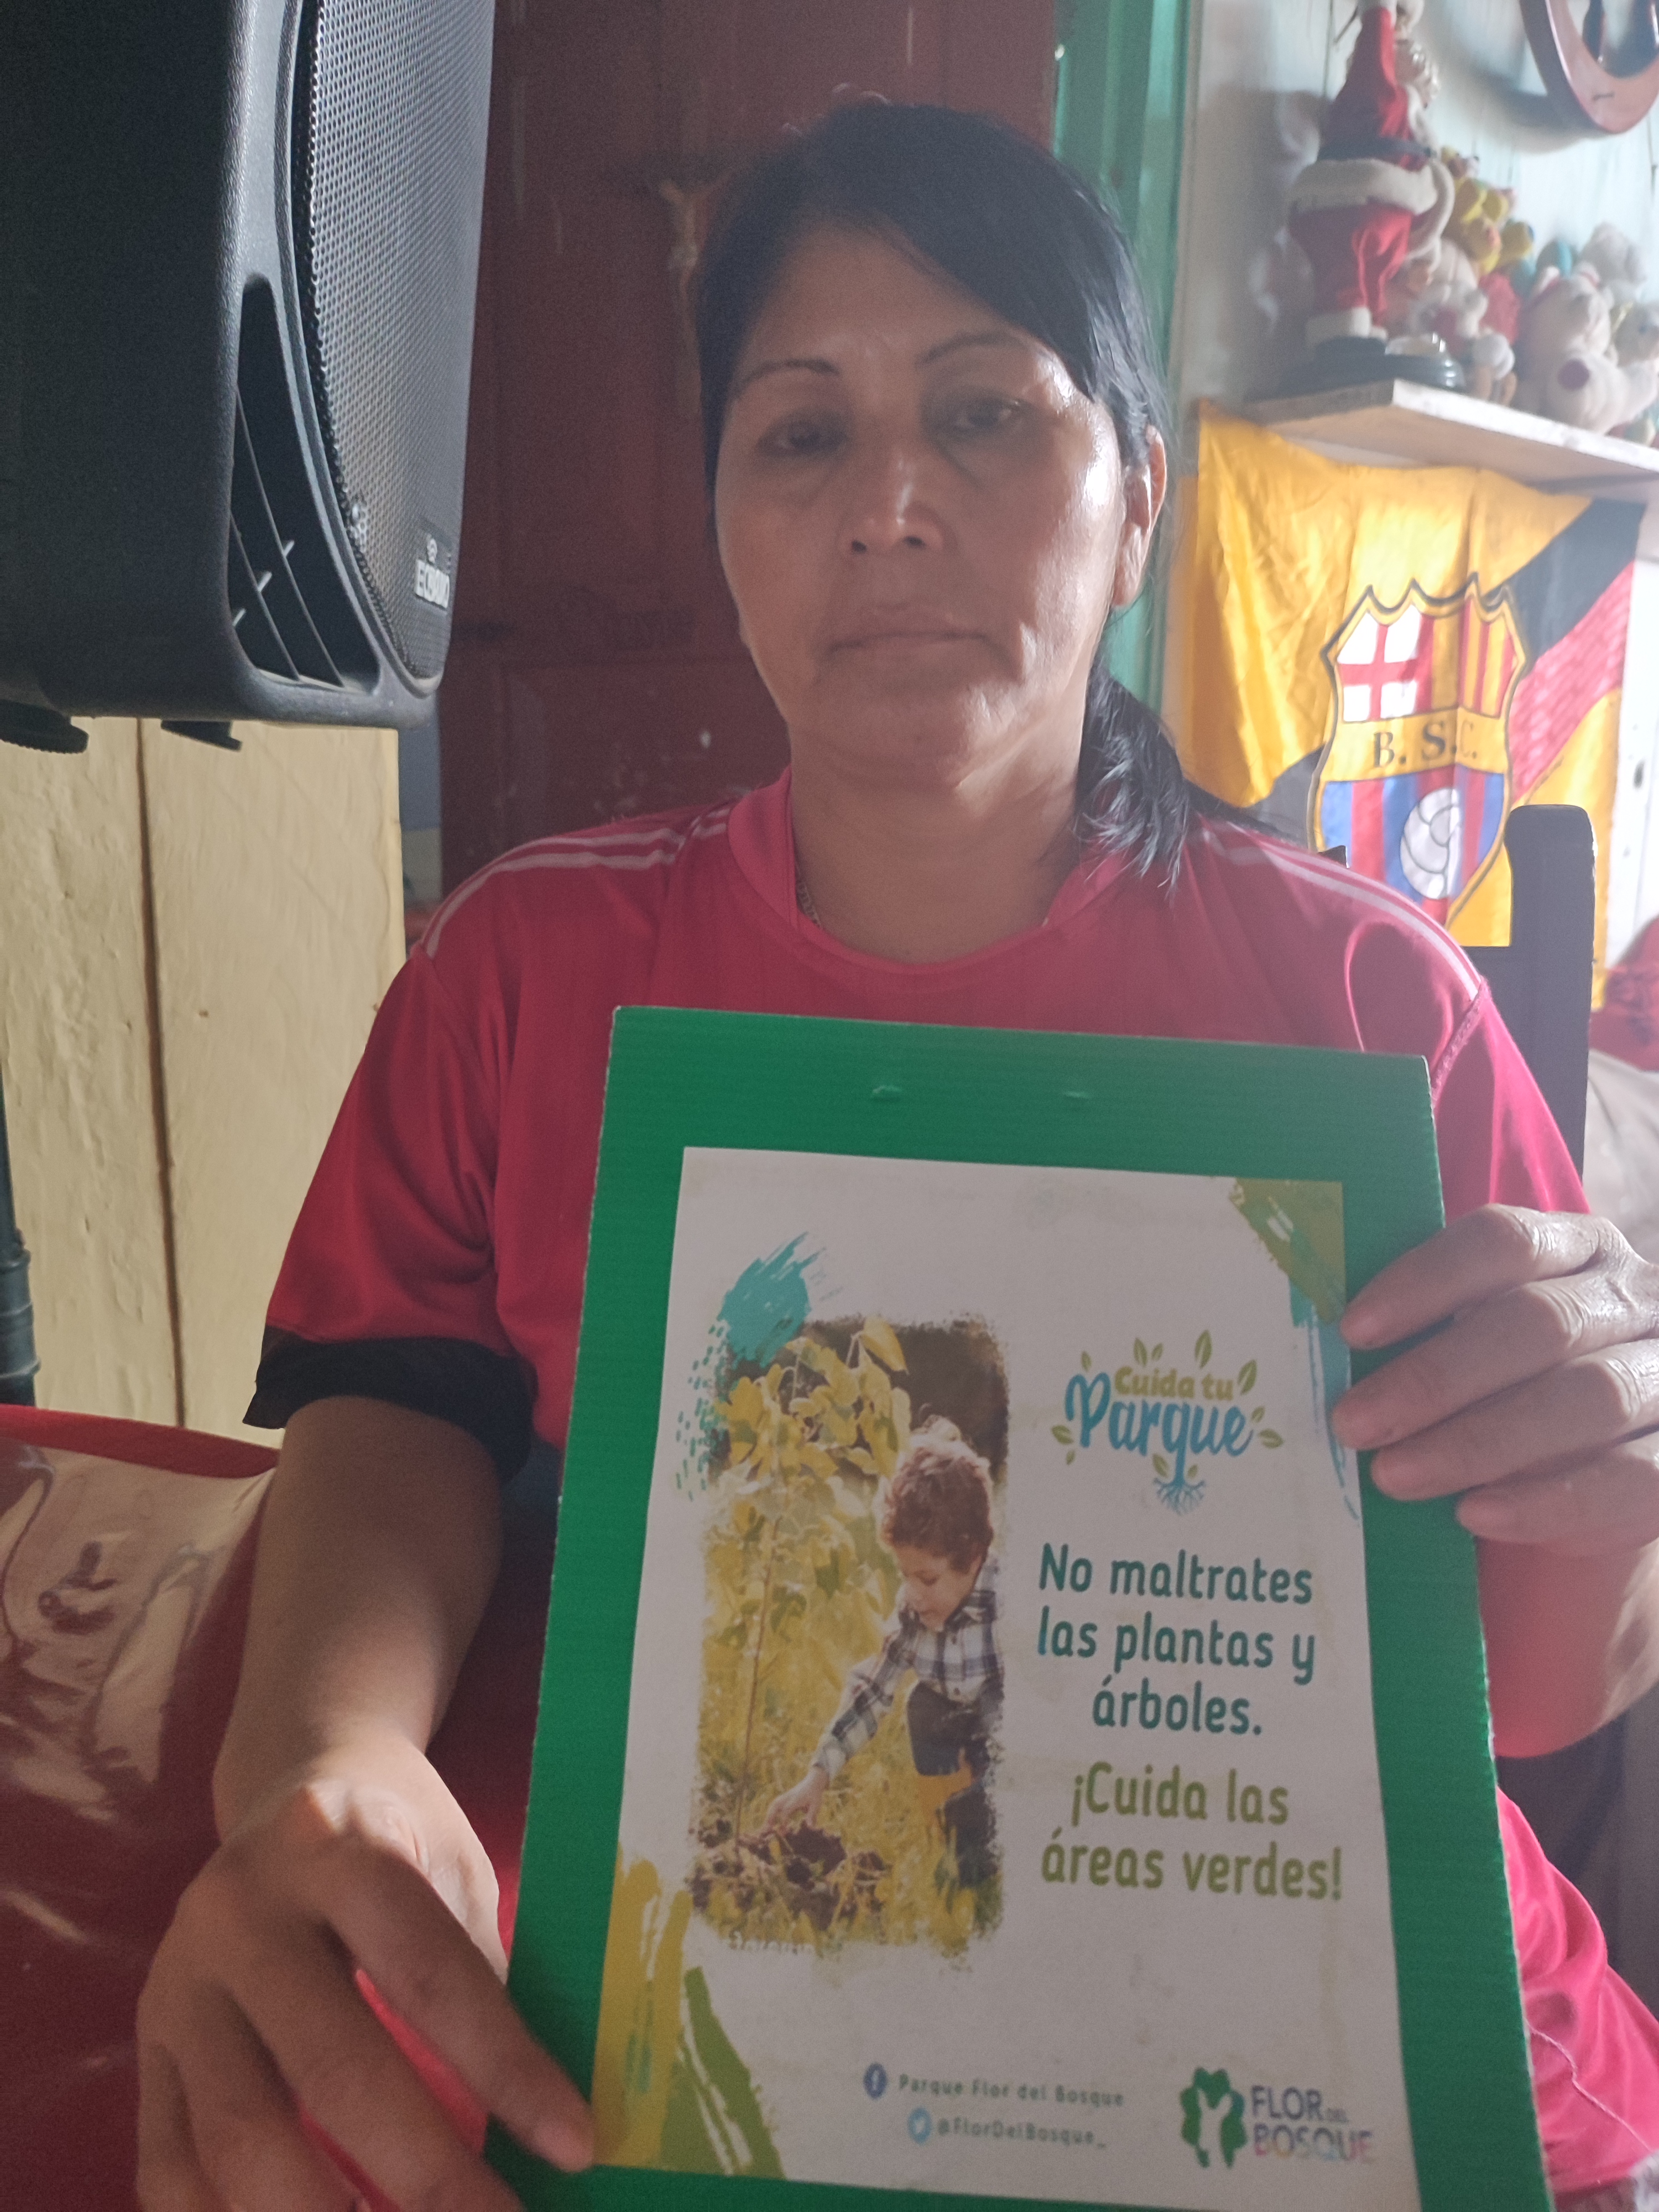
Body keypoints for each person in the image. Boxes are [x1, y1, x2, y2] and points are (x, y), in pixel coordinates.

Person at [135, 102, 1659, 2212]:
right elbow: (398, 1414)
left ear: (1138, 501)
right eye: (799, 436)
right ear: (722, 524)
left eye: (982, 413)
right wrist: (320, 1752)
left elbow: (1535, 1687)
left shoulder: (1364, 1005)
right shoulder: (525, 970)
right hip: (751, 2034)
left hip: (1343, 2058)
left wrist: (1614, 1450)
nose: (888, 508)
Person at [763, 1420, 1003, 1894]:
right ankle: (950, 1842)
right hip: (962, 1747)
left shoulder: (1011, 1605)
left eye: (927, 1579)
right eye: (905, 1575)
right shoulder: (915, 1616)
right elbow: (871, 1691)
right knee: (924, 1704)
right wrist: (817, 1776)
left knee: (1003, 1701)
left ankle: (994, 1826)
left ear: (973, 1557)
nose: (913, 1594)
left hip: (1009, 1750)